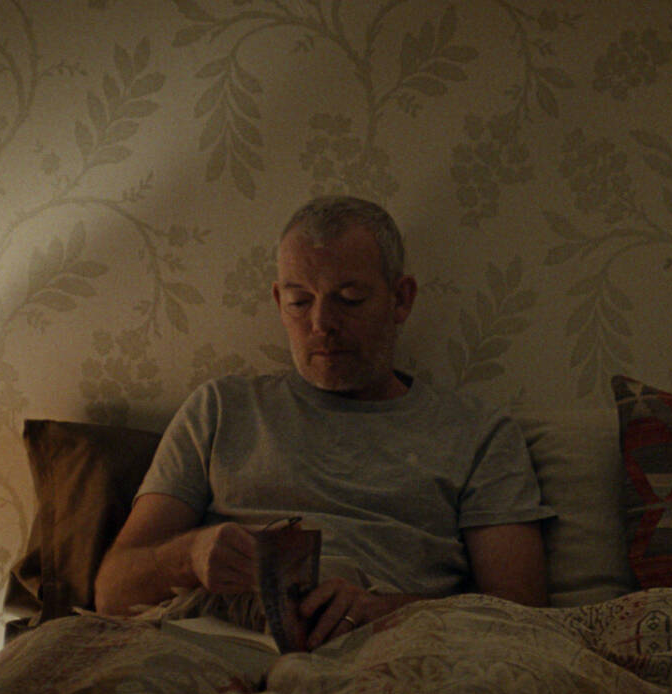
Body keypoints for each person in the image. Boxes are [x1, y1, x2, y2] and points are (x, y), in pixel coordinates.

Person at [94, 196, 553, 649]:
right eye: (299, 301)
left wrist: (383, 612)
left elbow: (521, 614)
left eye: (349, 299)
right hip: (215, 641)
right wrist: (189, 558)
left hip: (393, 648)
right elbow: (112, 592)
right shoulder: (219, 409)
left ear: (400, 299)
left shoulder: (476, 432)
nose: (321, 323)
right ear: (279, 301)